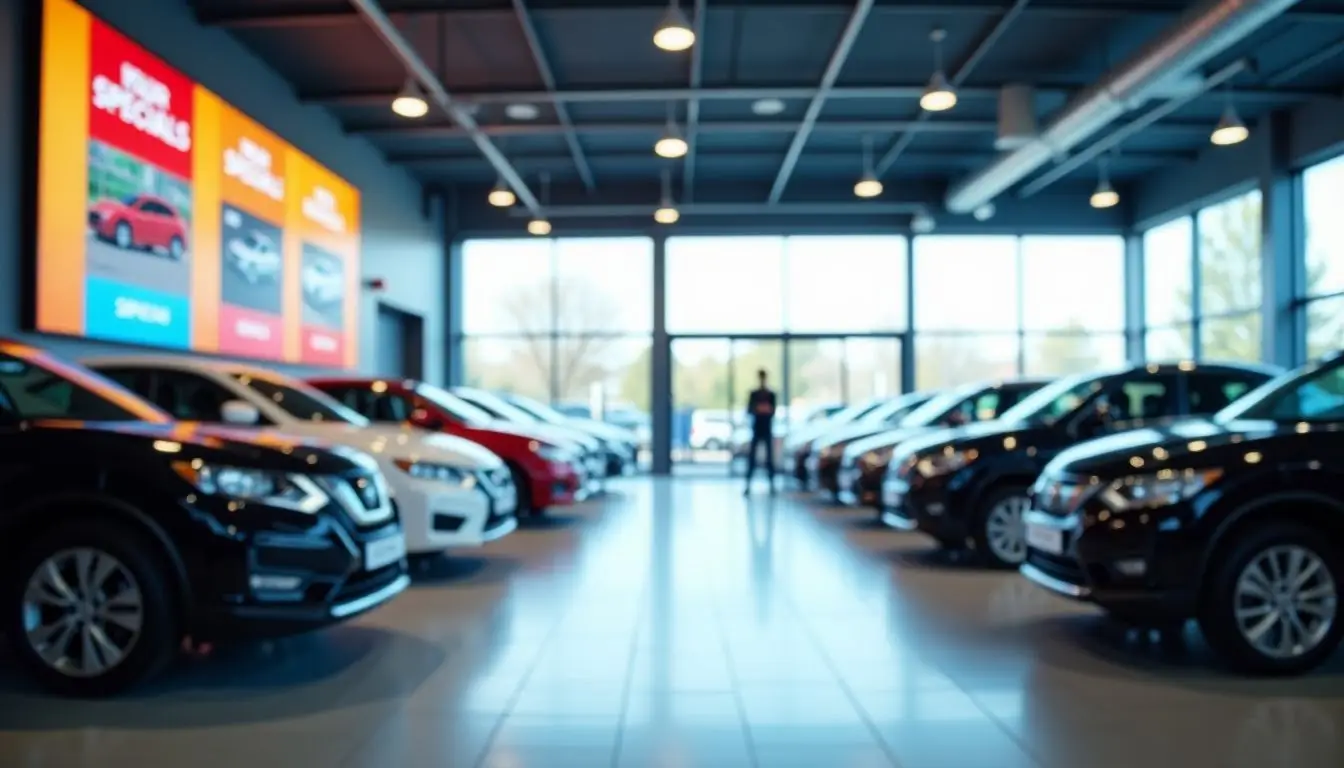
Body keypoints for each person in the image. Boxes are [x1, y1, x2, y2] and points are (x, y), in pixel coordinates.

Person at [744, 369, 777, 495]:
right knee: (752, 458)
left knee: (769, 458)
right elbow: (749, 410)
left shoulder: (771, 394)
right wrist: (759, 409)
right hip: (757, 429)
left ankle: (772, 485)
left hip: (767, 429)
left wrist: (764, 409)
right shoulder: (754, 394)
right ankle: (748, 484)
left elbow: (773, 411)